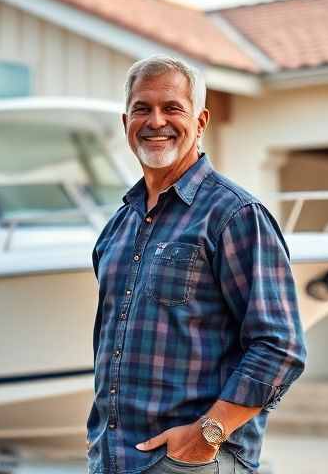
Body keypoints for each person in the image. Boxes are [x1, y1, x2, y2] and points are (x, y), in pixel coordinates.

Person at [86, 55, 307, 474]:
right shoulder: (118, 225)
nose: (155, 121)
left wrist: (207, 435)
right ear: (125, 122)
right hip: (112, 460)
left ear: (201, 121)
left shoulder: (235, 214)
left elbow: (280, 346)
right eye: (142, 109)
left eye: (172, 108)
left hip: (191, 464)